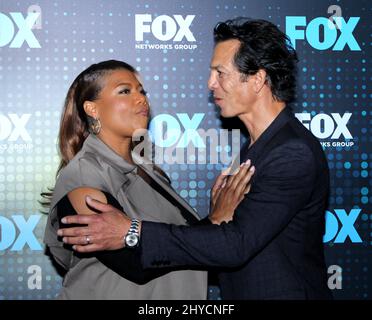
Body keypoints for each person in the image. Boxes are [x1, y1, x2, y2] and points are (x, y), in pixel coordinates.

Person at [58, 18, 333, 300]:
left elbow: (236, 244)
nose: (210, 83)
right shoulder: (256, 148)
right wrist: (214, 222)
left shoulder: (290, 152)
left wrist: (133, 231)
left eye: (220, 73)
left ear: (257, 79)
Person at [43, 59, 255, 299]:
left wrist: (213, 225)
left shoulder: (149, 171)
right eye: (125, 91)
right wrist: (215, 223)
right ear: (92, 109)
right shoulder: (84, 175)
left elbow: (170, 245)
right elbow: (134, 263)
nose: (141, 98)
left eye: (141, 91)